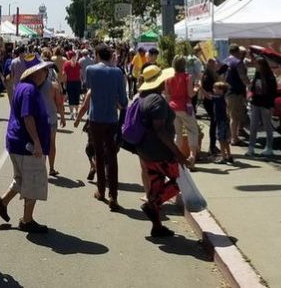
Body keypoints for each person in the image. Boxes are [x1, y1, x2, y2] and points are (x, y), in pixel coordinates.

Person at [0, 55, 53, 233]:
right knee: (33, 181)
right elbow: (28, 116)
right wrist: (37, 142)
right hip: (26, 144)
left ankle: (3, 201)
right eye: (44, 71)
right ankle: (27, 220)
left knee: (21, 178)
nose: (46, 74)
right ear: (36, 72)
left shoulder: (22, 87)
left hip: (17, 142)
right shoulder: (30, 90)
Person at [134, 66, 189, 237]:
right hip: (160, 152)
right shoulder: (157, 100)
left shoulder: (142, 97)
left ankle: (157, 226)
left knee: (156, 184)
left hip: (145, 151)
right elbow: (160, 130)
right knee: (179, 180)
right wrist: (177, 152)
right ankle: (152, 205)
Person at [79, 44, 128, 211]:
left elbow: (88, 87)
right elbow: (123, 101)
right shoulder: (118, 72)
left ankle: (101, 190)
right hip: (111, 119)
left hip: (95, 118)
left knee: (99, 155)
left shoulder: (91, 70)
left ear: (97, 55)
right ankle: (113, 195)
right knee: (112, 157)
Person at [165, 56, 199, 169]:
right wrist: (196, 88)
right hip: (185, 108)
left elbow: (167, 95)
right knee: (192, 131)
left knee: (177, 133)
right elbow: (190, 94)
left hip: (173, 108)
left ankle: (177, 158)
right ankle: (192, 157)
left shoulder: (168, 78)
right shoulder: (188, 77)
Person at [247, 57, 277, 158]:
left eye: (257, 64)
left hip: (266, 104)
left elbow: (273, 92)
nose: (255, 66)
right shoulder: (257, 75)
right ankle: (251, 148)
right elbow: (253, 88)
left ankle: (269, 147)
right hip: (256, 103)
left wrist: (271, 105)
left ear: (262, 65)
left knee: (267, 126)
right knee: (253, 126)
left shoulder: (270, 77)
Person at [225, 45, 251, 145]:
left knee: (232, 115)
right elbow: (243, 77)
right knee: (235, 117)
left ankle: (233, 136)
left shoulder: (226, 61)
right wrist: (250, 85)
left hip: (228, 92)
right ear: (238, 52)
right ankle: (234, 138)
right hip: (236, 93)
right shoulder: (238, 62)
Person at [200, 58, 220, 156]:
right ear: (210, 64)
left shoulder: (210, 74)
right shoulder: (207, 76)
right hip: (210, 101)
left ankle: (213, 146)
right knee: (213, 122)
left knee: (214, 122)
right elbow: (208, 90)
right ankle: (212, 147)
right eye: (214, 63)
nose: (216, 64)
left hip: (210, 100)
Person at [212, 82, 233, 164]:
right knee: (225, 140)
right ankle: (229, 155)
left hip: (221, 121)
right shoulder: (222, 97)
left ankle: (223, 157)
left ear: (221, 90)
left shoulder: (219, 98)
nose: (213, 90)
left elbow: (208, 96)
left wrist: (200, 88)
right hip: (224, 120)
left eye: (215, 88)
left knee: (221, 139)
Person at [62, 52, 82, 121]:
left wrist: (64, 84)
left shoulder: (66, 64)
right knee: (77, 98)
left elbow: (64, 75)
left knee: (70, 98)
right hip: (77, 82)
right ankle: (76, 112)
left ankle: (71, 114)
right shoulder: (78, 64)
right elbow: (80, 74)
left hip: (69, 82)